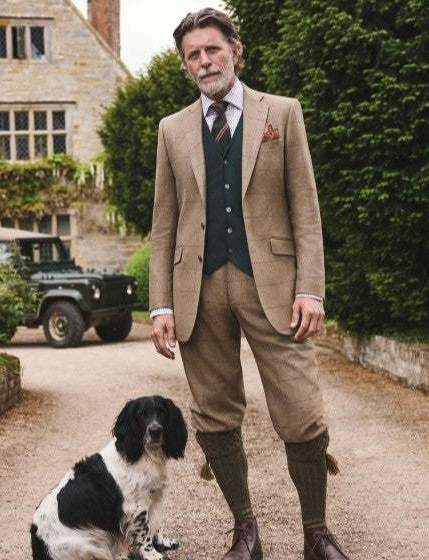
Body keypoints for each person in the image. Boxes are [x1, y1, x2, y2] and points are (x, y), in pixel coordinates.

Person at [148, 7, 349, 560]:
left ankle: (317, 533)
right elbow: (164, 223)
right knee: (214, 412)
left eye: (213, 49)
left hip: (276, 288)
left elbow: (305, 209)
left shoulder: (281, 113)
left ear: (235, 51)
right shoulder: (172, 129)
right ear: (185, 66)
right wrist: (160, 302)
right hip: (198, 289)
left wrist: (311, 288)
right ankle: (246, 532)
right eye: (193, 55)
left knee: (302, 411)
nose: (204, 60)